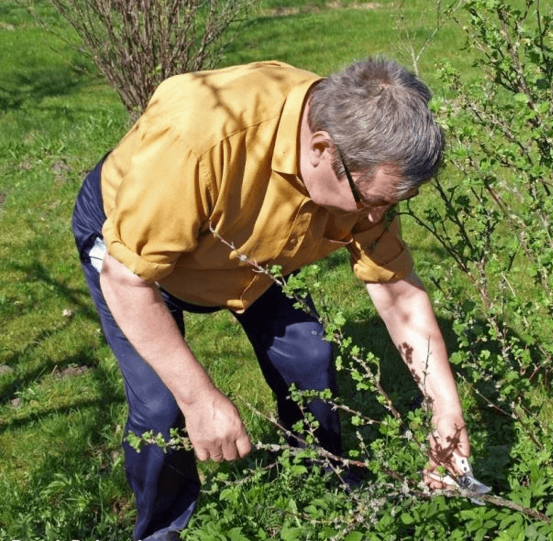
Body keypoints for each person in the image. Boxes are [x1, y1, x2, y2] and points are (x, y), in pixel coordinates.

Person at [71, 58, 472, 540]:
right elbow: (127, 280)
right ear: (322, 150)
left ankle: (323, 484)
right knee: (162, 407)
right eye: (373, 202)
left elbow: (397, 292)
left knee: (309, 355)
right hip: (136, 247)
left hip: (256, 246)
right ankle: (161, 529)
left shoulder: (358, 158)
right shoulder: (199, 138)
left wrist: (446, 412)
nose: (380, 216)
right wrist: (201, 400)